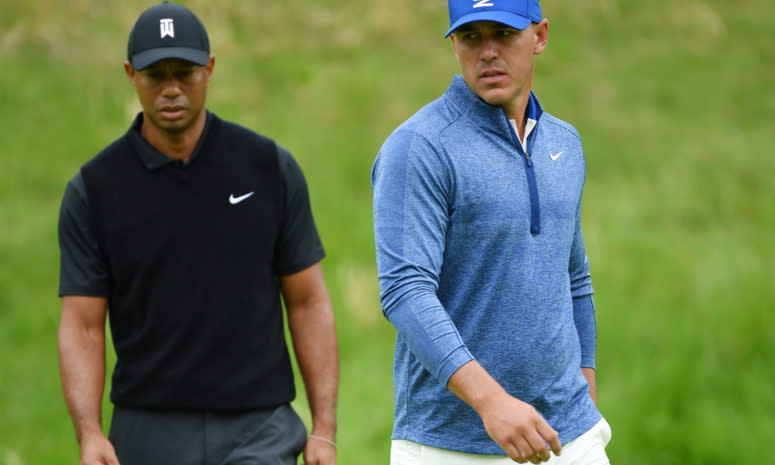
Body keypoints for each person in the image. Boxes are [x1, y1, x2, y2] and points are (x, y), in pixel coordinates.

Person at [56, 3, 338, 465]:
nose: (171, 89)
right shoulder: (95, 191)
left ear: (209, 70)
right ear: (130, 74)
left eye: (184, 73)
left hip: (260, 430)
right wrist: (89, 432)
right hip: (148, 432)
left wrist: (324, 429)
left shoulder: (269, 169)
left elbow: (308, 301)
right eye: (155, 75)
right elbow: (83, 326)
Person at [371, 1, 611, 464]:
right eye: (471, 37)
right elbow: (404, 290)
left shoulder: (565, 143)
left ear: (539, 37)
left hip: (570, 436)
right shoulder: (419, 147)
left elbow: (574, 276)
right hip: (450, 444)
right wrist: (490, 401)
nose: (487, 52)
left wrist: (585, 382)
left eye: (503, 34)